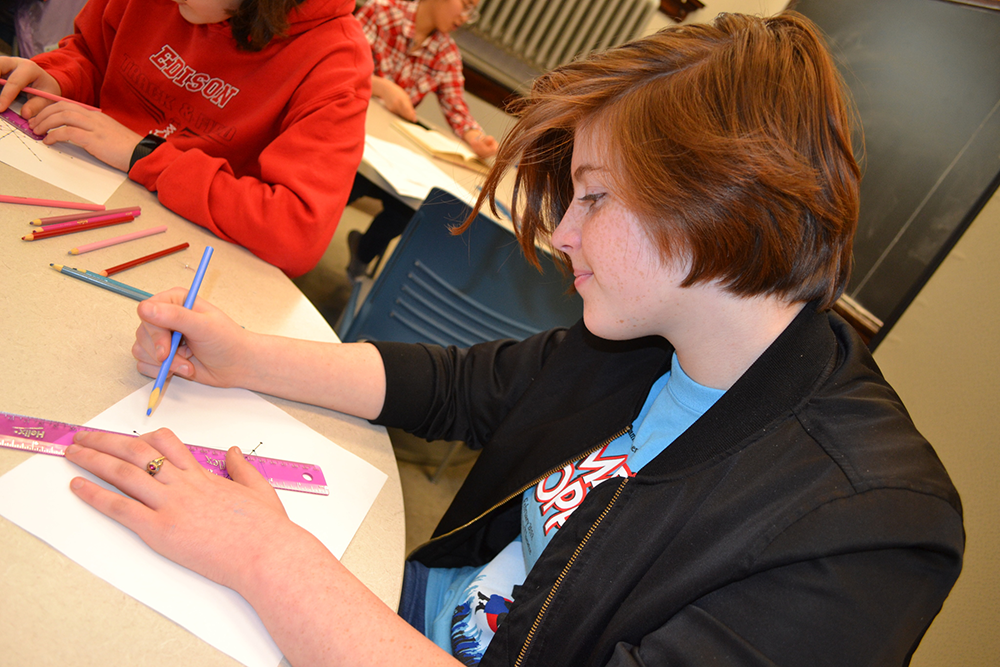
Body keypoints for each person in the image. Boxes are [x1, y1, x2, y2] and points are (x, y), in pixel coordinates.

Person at [62, 11, 963, 667]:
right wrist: (247, 354)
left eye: (597, 197)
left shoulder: (868, 530)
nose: (564, 234)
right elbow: (458, 385)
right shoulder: (658, 333)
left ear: (724, 201)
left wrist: (268, 556)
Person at [0, 0, 372, 278]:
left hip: (176, 253)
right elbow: (92, 53)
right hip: (71, 193)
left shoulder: (334, 60)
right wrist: (58, 79)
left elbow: (296, 232)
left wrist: (143, 154)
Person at [346, 0, 498, 280]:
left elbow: (458, 110)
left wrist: (476, 139)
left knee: (410, 206)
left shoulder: (446, 53)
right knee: (342, 184)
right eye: (465, 5)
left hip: (392, 152)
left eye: (472, 11)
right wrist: (380, 86)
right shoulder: (381, 12)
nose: (466, 17)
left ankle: (362, 254)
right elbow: (340, 64)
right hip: (353, 136)